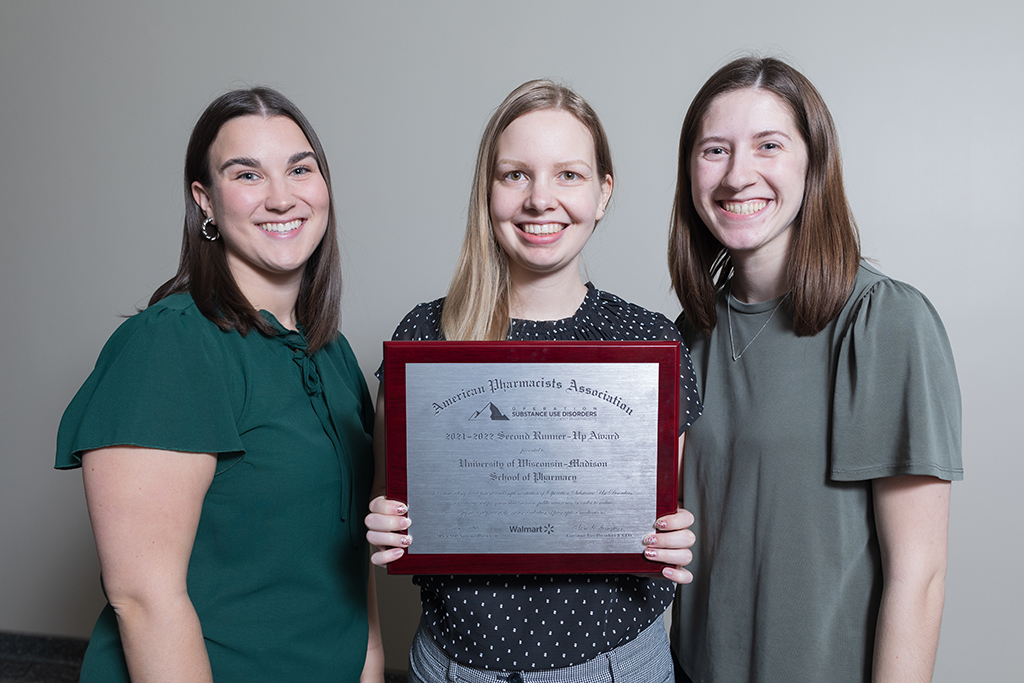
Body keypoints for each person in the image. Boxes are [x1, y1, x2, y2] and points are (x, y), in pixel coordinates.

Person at [366, 79, 702, 683]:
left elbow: (668, 511)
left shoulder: (648, 345)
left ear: (603, 194)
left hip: (613, 667)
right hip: (451, 667)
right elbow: (393, 498)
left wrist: (674, 540)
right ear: (487, 191)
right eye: (515, 174)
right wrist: (388, 520)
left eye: (568, 175)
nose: (539, 199)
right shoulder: (423, 335)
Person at [55, 87, 380, 682]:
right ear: (205, 201)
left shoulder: (329, 349)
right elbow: (144, 599)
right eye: (247, 174)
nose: (282, 198)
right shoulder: (171, 347)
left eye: (299, 169)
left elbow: (351, 564)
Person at [667, 56, 963, 682]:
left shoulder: (883, 322)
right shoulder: (686, 335)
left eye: (768, 145)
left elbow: (920, 574)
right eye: (714, 150)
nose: (738, 175)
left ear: (813, 163)